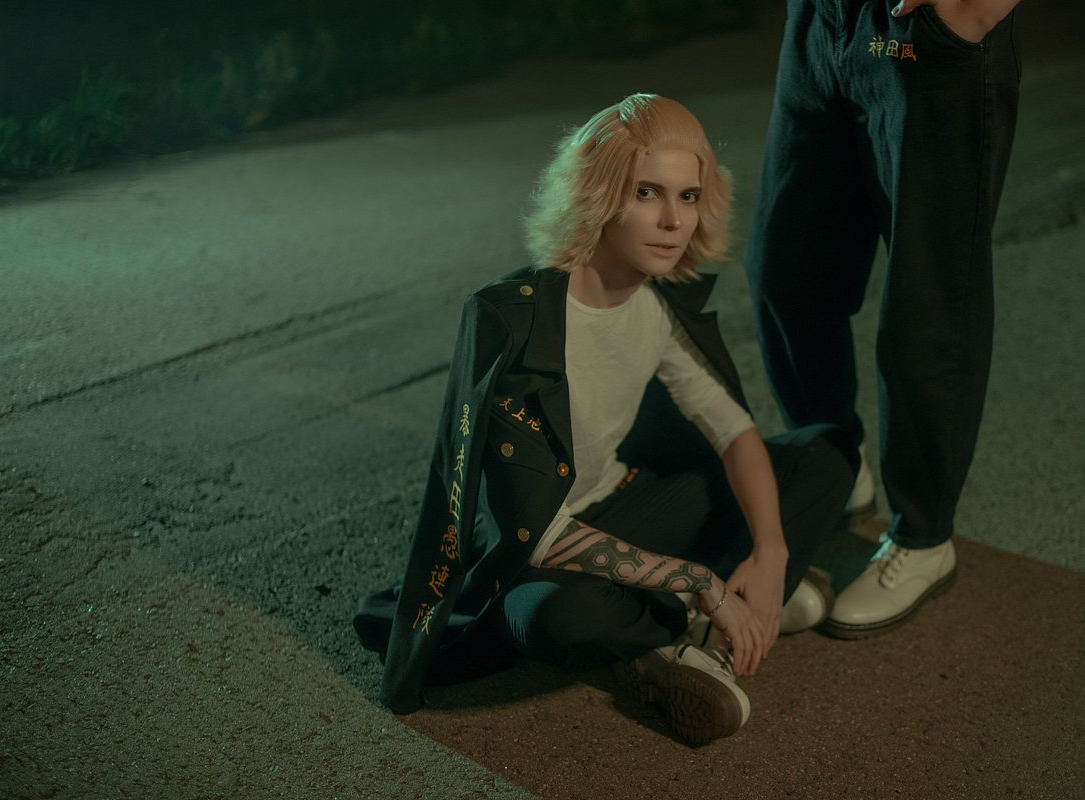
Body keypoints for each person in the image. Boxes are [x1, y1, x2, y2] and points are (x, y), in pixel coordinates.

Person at [354, 94, 851, 744]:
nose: (673, 220)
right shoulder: (516, 323)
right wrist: (701, 582)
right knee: (552, 616)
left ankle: (719, 612)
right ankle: (692, 631)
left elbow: (732, 430)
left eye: (689, 196)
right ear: (597, 195)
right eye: (647, 193)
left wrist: (771, 550)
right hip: (534, 550)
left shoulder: (657, 303)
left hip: (626, 501)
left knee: (824, 456)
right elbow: (537, 533)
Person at [744, 0, 1023, 638]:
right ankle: (833, 460)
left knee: (928, 302)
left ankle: (924, 539)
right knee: (785, 270)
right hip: (819, 23)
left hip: (925, 32)